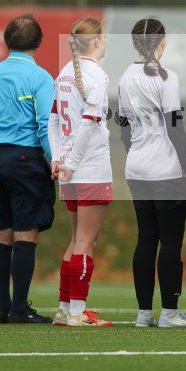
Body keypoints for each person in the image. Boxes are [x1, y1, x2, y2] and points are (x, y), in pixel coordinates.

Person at [0, 14, 55, 324]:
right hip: (24, 158)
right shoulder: (41, 77)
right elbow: (45, 124)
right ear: (38, 42)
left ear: (7, 42)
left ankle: (3, 308)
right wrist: (54, 158)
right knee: (25, 234)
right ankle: (19, 308)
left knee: (1, 233)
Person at [116, 18, 186, 328]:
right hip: (165, 169)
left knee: (146, 238)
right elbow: (174, 127)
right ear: (161, 41)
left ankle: (143, 313)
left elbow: (123, 128)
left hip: (137, 168)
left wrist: (138, 154)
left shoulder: (125, 78)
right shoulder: (166, 77)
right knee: (171, 241)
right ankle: (170, 312)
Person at [49, 17, 113, 327]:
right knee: (87, 241)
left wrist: (58, 158)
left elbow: (52, 122)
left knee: (76, 239)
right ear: (99, 41)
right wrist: (71, 161)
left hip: (70, 170)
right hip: (88, 168)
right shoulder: (96, 75)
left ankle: (65, 308)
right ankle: (77, 311)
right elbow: (88, 123)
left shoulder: (63, 74)